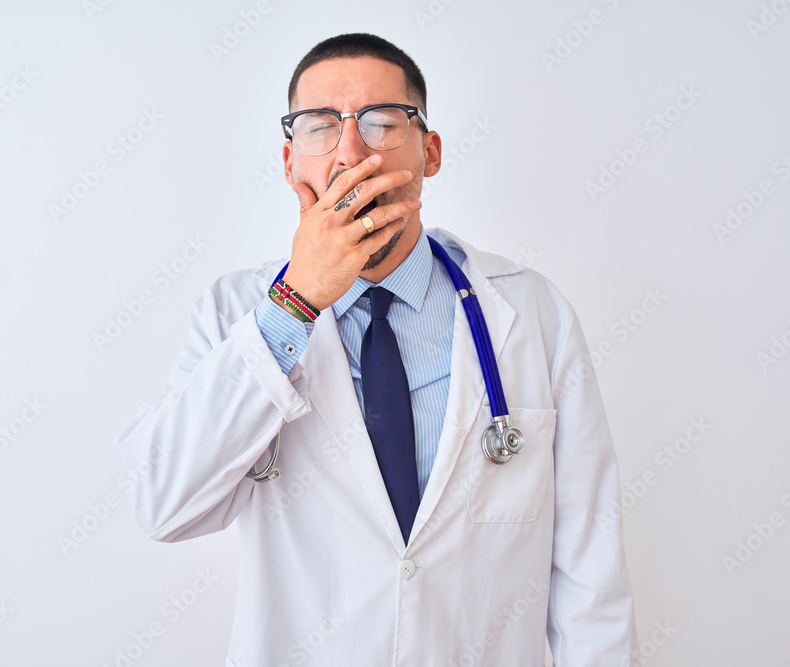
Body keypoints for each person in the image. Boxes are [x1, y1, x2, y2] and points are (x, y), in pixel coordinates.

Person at [114, 32, 638, 666]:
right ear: (289, 163)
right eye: (319, 129)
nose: (350, 153)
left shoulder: (531, 314)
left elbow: (591, 576)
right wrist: (298, 300)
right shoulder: (236, 314)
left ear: (431, 151)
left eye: (383, 123)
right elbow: (162, 502)